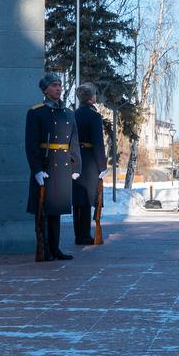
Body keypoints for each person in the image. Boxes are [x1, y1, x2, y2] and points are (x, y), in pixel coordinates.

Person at [24, 73, 80, 261]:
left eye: (59, 85)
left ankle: (55, 248)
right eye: (54, 85)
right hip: (46, 167)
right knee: (43, 211)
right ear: (45, 89)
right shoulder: (36, 112)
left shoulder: (68, 113)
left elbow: (74, 142)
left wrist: (76, 166)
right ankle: (43, 248)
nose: (58, 88)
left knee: (56, 210)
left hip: (63, 167)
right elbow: (31, 144)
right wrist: (37, 169)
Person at [72, 83, 109, 245]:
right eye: (94, 94)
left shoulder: (73, 114)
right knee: (87, 199)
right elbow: (98, 143)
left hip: (76, 159)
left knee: (78, 200)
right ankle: (85, 235)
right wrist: (102, 165)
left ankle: (78, 234)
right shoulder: (94, 116)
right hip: (89, 161)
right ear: (91, 98)